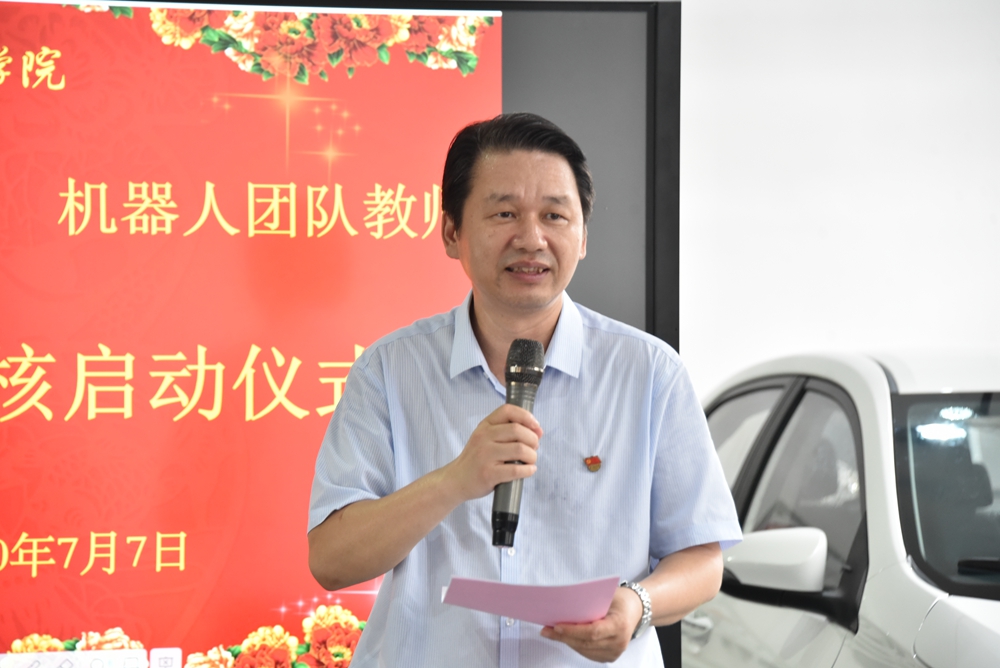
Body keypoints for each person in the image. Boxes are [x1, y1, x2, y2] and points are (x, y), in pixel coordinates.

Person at [307, 112, 741, 666]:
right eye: (504, 213)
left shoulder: (649, 372)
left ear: (582, 237)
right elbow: (332, 561)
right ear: (451, 232)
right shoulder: (388, 371)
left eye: (555, 215)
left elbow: (702, 559)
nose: (532, 239)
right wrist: (454, 480)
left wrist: (637, 604)